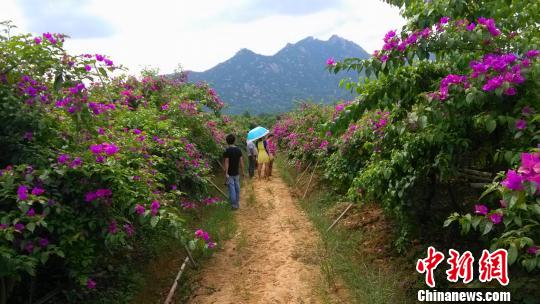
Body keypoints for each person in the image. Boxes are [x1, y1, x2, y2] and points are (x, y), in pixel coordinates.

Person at [223, 134, 245, 210]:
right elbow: (241, 162)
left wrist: (226, 173)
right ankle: (237, 202)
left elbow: (226, 162)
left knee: (232, 189)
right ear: (234, 141)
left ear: (227, 141)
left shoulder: (227, 151)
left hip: (230, 173)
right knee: (237, 188)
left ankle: (234, 205)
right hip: (236, 172)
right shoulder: (238, 150)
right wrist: (243, 171)